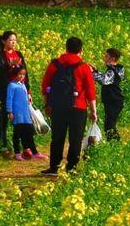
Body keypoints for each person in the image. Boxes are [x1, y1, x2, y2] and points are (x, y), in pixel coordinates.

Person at [39, 36, 97, 176]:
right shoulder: (83, 66)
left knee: (57, 137)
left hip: (58, 107)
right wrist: (93, 111)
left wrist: (47, 104)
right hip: (78, 107)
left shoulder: (55, 64)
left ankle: (54, 167)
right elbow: (90, 90)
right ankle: (71, 168)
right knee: (75, 139)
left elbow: (45, 86)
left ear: (66, 48)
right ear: (81, 50)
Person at [0, 30, 26, 157]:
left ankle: (20, 146)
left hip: (19, 90)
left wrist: (27, 91)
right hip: (4, 89)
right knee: (2, 117)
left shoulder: (19, 54)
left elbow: (25, 73)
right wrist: (10, 65)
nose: (13, 42)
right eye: (10, 40)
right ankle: (3, 145)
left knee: (20, 118)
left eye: (15, 40)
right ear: (3, 41)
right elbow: (1, 71)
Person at [4, 66, 38, 161]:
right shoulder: (11, 85)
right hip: (17, 113)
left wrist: (29, 99)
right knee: (17, 134)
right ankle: (17, 153)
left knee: (29, 132)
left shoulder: (23, 85)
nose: (21, 76)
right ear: (15, 74)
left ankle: (33, 152)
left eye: (23, 74)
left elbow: (25, 97)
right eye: (19, 74)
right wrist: (10, 112)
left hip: (25, 113)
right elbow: (9, 99)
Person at [96, 48, 126, 139]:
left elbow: (104, 80)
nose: (104, 58)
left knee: (109, 125)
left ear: (112, 59)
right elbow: (109, 78)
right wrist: (97, 72)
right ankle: (114, 143)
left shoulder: (112, 71)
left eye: (106, 56)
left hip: (113, 101)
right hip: (115, 101)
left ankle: (115, 143)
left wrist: (92, 73)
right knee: (110, 124)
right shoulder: (118, 68)